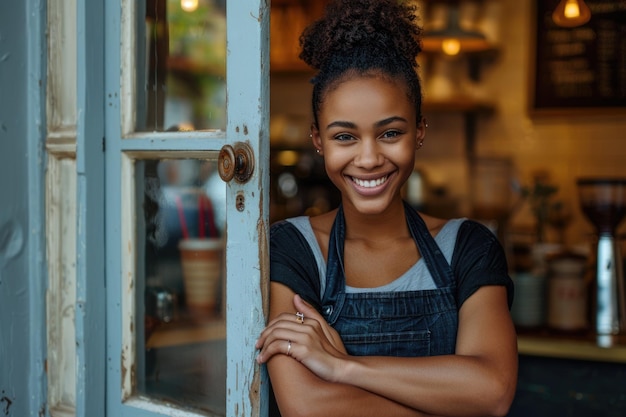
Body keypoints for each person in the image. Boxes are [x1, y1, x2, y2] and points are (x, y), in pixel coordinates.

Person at [256, 1, 518, 416]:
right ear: (318, 140)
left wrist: (343, 367)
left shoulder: (468, 247)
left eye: (390, 132)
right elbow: (307, 407)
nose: (369, 158)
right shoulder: (292, 249)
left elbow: (492, 392)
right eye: (345, 137)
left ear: (419, 132)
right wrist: (449, 401)